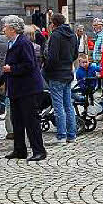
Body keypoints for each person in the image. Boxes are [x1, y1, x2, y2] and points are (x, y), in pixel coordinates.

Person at [0, 14, 46, 161]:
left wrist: (11, 69)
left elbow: (29, 65)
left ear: (13, 29)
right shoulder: (12, 42)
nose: (3, 29)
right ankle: (19, 149)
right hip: (16, 88)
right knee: (17, 120)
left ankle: (39, 150)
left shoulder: (23, 43)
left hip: (28, 89)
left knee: (31, 121)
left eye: (5, 27)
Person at [43, 12, 79, 142]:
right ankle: (71, 134)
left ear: (53, 23)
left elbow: (52, 57)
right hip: (67, 72)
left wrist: (46, 69)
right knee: (68, 105)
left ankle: (62, 135)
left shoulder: (55, 36)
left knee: (58, 106)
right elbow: (75, 54)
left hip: (56, 74)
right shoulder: (73, 35)